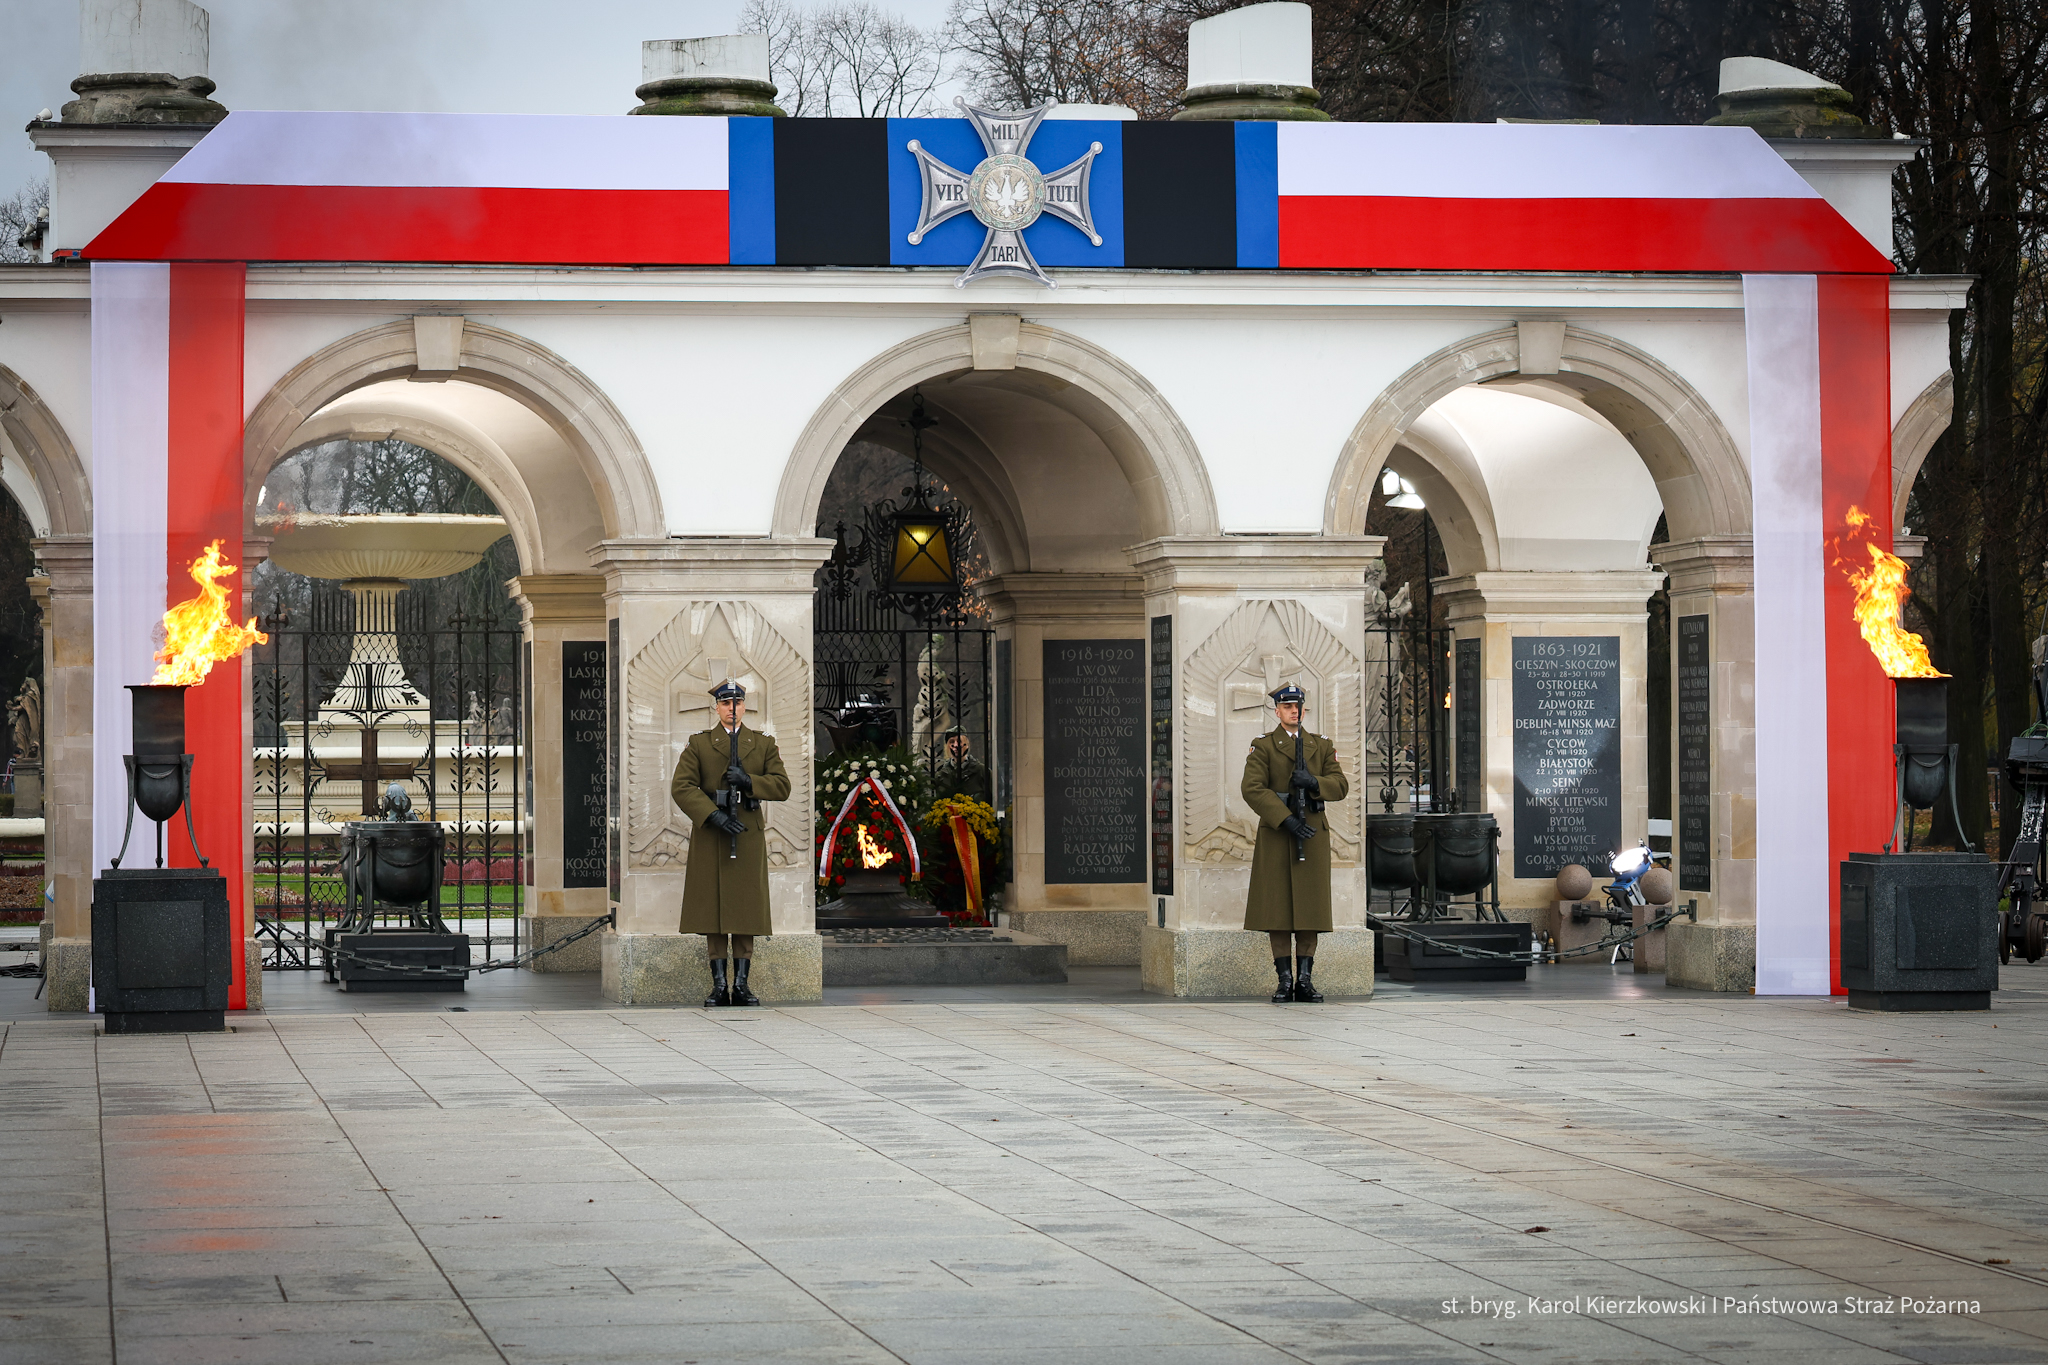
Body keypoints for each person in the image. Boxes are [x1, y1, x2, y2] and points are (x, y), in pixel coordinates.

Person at [672, 679, 791, 1007]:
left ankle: (741, 985)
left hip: (746, 833)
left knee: (745, 907)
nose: (732, 709)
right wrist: (713, 815)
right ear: (717, 708)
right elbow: (682, 786)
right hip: (712, 834)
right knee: (712, 909)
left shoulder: (763, 744)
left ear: (744, 705)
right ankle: (718, 984)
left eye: (737, 702)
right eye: (726, 703)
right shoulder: (699, 744)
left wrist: (750, 781)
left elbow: (782, 786)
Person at [1240, 681, 1349, 1003]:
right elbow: (1252, 788)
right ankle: (1284, 980)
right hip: (1278, 834)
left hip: (1311, 832)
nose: (1293, 711)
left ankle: (1305, 979)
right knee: (1276, 910)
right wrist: (1285, 818)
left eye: (1297, 706)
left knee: (1310, 909)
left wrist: (1314, 782)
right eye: (1287, 707)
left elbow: (1340, 785)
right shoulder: (1263, 746)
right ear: (1277, 711)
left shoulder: (1321, 745)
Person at [932, 726, 991, 803]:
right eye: (952, 742)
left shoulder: (982, 772)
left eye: (959, 741)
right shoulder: (941, 774)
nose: (956, 745)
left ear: (967, 744)